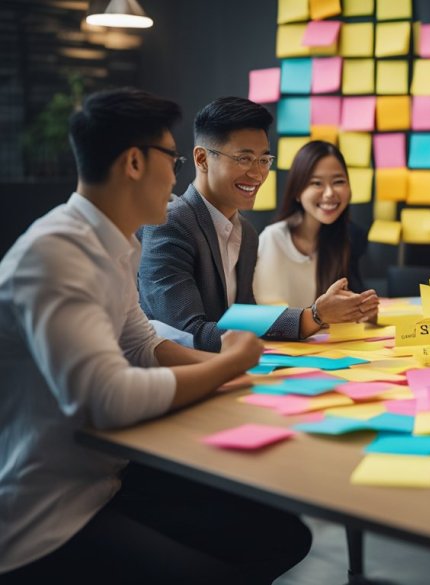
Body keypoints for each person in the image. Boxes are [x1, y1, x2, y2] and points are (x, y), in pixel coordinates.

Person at [0, 88, 310, 584]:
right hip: (48, 514)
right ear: (135, 163)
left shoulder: (116, 245)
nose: (177, 173)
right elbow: (109, 399)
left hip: (107, 477)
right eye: (172, 158)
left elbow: (143, 345)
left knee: (284, 535)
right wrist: (228, 366)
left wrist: (245, 371)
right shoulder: (55, 255)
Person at [139, 97, 377, 352]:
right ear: (202, 159)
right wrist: (314, 316)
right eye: (244, 159)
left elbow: (244, 317)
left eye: (263, 160)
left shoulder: (247, 233)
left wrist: (318, 315)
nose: (257, 174)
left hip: (235, 374)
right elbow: (187, 333)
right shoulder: (169, 224)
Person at [253, 140, 372, 316]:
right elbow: (268, 316)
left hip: (331, 342)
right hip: (280, 342)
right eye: (317, 183)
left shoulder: (348, 238)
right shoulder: (273, 239)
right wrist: (319, 316)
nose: (330, 193)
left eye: (338, 181)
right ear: (297, 191)